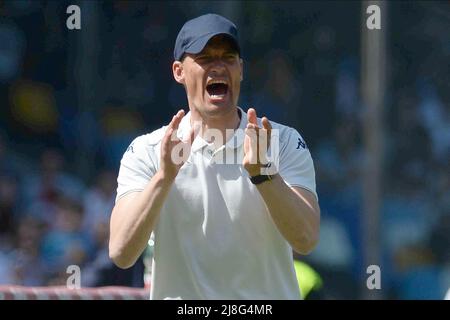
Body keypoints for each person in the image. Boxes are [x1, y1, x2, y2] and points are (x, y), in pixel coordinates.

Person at [109, 13, 320, 300]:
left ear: (241, 69)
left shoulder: (282, 142)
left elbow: (306, 239)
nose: (219, 66)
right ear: (178, 71)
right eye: (205, 58)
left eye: (228, 57)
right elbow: (121, 253)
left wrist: (264, 174)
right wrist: (163, 178)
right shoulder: (147, 151)